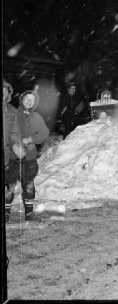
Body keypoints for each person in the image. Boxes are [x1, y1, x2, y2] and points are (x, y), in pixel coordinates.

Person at [5, 89, 49, 221]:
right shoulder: (13, 113)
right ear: (22, 99)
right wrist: (16, 143)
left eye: (32, 100)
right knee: (9, 186)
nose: (29, 101)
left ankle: (29, 214)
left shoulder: (37, 117)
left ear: (35, 103)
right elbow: (7, 132)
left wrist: (30, 139)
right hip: (13, 157)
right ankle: (6, 213)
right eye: (27, 99)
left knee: (29, 186)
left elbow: (44, 134)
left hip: (29, 158)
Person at [3, 79, 21, 222]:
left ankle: (6, 211)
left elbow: (15, 133)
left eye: (5, 91)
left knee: (11, 185)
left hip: (10, 154)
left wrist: (17, 146)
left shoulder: (12, 111)